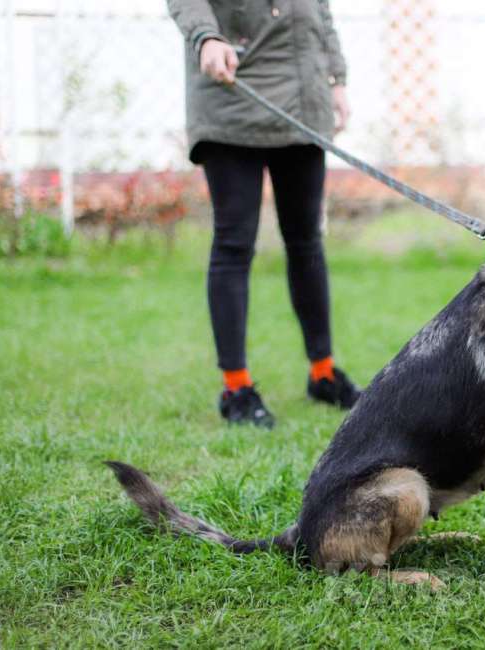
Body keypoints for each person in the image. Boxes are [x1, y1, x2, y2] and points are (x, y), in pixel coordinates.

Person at [168, 0, 360, 428]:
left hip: (303, 101)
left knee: (306, 239)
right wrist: (206, 36)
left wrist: (337, 80)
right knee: (235, 242)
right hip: (232, 90)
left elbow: (319, 12)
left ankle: (323, 373)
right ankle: (236, 387)